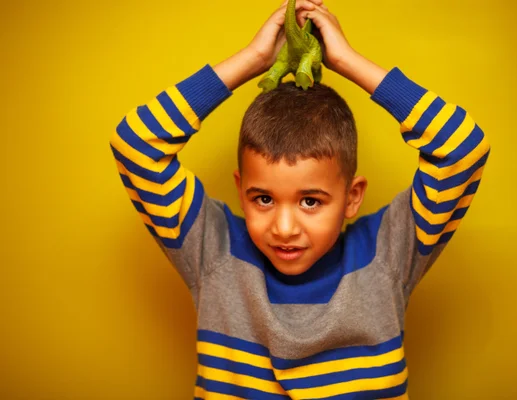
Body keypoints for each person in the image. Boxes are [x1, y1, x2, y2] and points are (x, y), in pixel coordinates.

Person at [109, 0, 491, 398]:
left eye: (311, 201)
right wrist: (254, 59)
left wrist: (347, 61)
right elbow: (135, 144)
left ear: (352, 197)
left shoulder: (388, 253)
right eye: (263, 199)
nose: (284, 228)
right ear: (241, 190)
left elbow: (462, 147)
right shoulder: (213, 250)